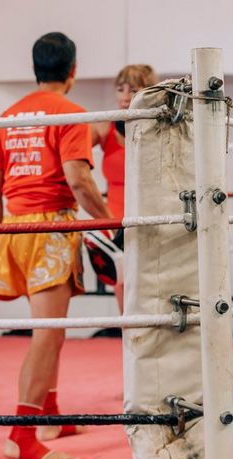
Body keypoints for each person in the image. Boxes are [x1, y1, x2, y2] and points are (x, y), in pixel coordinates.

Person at [0, 32, 112, 459]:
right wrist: (110, 224)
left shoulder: (8, 115)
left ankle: (51, 415)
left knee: (51, 332)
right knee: (46, 334)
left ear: (35, 69)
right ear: (73, 70)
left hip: (14, 229)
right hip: (50, 228)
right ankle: (21, 434)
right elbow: (78, 179)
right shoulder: (71, 112)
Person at [91, 64, 158, 313]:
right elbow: (71, 149)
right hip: (115, 214)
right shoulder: (104, 126)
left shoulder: (159, 127)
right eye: (120, 89)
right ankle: (128, 335)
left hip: (149, 210)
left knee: (149, 278)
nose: (125, 96)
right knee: (122, 279)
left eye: (134, 89)